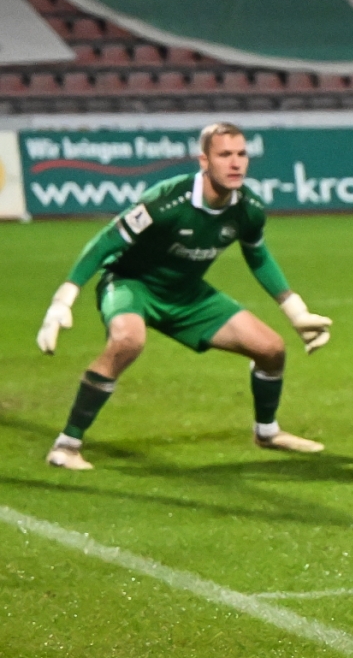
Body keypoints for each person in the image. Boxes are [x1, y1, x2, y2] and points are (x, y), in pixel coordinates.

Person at [33, 122, 333, 471]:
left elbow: (258, 256)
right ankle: (67, 445)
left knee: (271, 349)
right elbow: (105, 243)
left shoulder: (249, 208)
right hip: (133, 284)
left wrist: (296, 311)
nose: (235, 163)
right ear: (204, 160)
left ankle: (267, 432)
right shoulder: (166, 200)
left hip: (187, 293)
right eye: (224, 155)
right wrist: (63, 299)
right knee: (128, 341)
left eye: (241, 154)